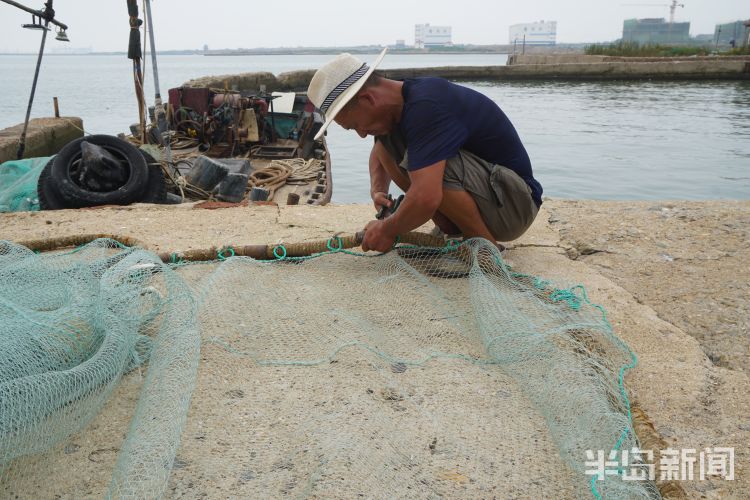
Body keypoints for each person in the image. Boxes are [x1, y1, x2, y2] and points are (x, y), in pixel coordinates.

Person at [307, 49, 542, 253]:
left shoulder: (427, 106)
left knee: (434, 164)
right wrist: (378, 190)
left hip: (515, 205)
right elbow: (380, 150)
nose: (360, 133)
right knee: (387, 139)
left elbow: (426, 196)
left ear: (368, 98)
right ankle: (453, 226)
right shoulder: (397, 104)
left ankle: (485, 247)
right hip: (492, 198)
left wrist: (387, 230)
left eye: (355, 125)